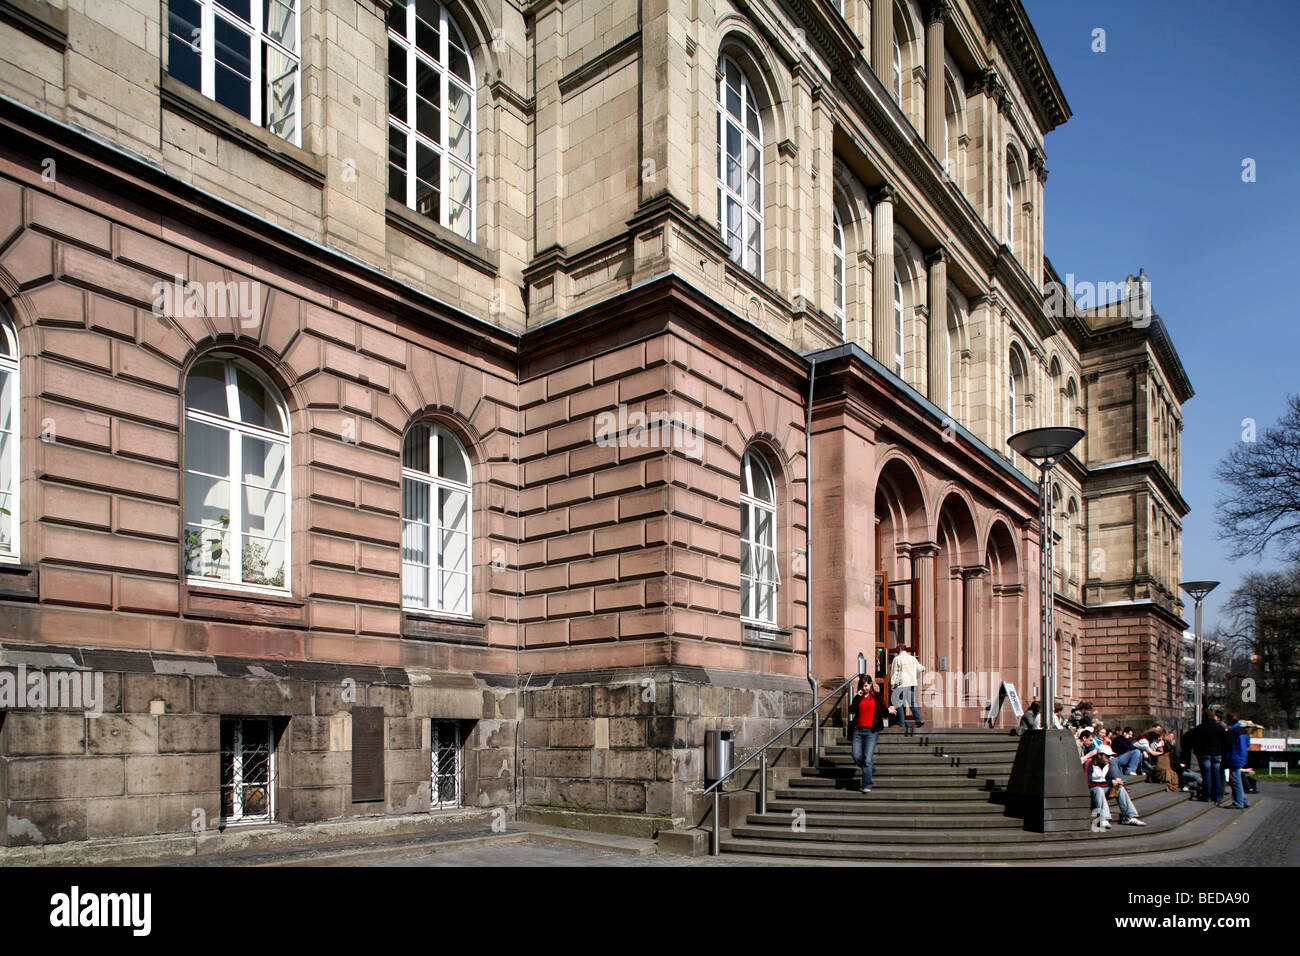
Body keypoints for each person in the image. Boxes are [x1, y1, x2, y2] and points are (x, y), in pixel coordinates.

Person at [848, 676, 896, 792]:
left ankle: (867, 785)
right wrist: (857, 697)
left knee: (867, 759)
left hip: (871, 732)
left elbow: (882, 712)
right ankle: (870, 769)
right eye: (862, 686)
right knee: (856, 756)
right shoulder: (858, 697)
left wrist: (888, 711)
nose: (864, 688)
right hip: (858, 731)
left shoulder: (877, 697)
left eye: (866, 685)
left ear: (870, 685)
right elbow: (851, 710)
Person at [1085, 746, 1146, 828]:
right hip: (1091, 792)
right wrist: (1109, 783)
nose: (1109, 759)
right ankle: (1104, 819)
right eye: (1107, 756)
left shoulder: (1107, 765)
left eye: (1110, 757)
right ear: (1099, 755)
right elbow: (1087, 782)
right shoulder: (1089, 764)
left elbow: (1109, 780)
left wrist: (1117, 782)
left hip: (1104, 790)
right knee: (1098, 790)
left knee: (1119, 788)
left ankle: (1129, 817)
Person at [1188, 710, 1229, 804]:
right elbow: (1225, 743)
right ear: (1214, 716)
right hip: (1217, 753)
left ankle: (1207, 795)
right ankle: (1217, 796)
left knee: (1206, 775)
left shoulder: (1199, 728)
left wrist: (1197, 751)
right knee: (1216, 775)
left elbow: (1194, 742)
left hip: (1204, 753)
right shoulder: (1220, 728)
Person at [889, 646, 925, 728]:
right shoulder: (912, 658)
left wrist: (892, 684)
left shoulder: (897, 659)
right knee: (912, 703)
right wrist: (923, 668)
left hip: (902, 684)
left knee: (899, 703)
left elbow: (895, 672)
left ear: (899, 650)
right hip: (912, 683)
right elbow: (920, 668)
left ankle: (901, 723)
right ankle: (919, 720)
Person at [1224, 712, 1251, 809]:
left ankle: (1238, 802)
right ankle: (1244, 800)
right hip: (1241, 757)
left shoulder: (1233, 732)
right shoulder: (1242, 730)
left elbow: (1227, 745)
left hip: (1234, 758)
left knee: (1235, 781)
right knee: (1237, 779)